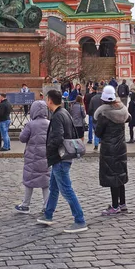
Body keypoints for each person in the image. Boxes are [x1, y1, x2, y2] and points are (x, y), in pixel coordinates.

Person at [37, 90, 87, 232]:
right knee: (53, 188)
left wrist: (49, 147)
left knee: (66, 189)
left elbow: (58, 137)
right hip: (62, 157)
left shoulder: (58, 116)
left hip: (59, 158)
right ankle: (48, 215)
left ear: (50, 101)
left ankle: (80, 220)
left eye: (47, 99)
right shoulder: (65, 112)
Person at [94, 85, 130, 215]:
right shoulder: (122, 111)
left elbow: (98, 133)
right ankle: (123, 204)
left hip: (109, 150)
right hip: (121, 147)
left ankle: (115, 206)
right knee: (120, 176)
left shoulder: (104, 115)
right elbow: (129, 118)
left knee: (112, 178)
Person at [15, 100, 50, 214]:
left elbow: (22, 138)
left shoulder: (30, 124)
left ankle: (25, 205)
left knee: (29, 180)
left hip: (32, 157)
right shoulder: (49, 123)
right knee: (46, 182)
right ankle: (46, 206)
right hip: (46, 157)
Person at [88, 86, 103, 150]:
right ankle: (102, 142)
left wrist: (91, 114)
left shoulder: (93, 98)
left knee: (96, 131)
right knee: (103, 130)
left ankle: (96, 144)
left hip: (95, 116)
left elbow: (90, 108)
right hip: (102, 117)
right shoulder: (103, 98)